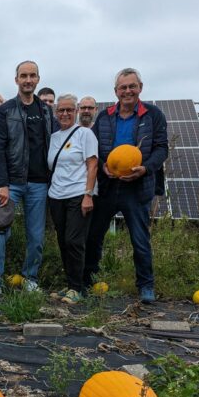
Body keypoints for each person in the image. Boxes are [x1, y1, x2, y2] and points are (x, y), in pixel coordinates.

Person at [83, 68, 168, 303]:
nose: (128, 91)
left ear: (140, 87)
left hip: (137, 187)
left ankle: (146, 286)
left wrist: (146, 168)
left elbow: (162, 148)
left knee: (140, 239)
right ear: (116, 91)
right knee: (94, 235)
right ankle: (88, 279)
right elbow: (95, 148)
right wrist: (102, 166)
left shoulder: (153, 115)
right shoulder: (105, 116)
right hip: (108, 185)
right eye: (123, 87)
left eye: (132, 86)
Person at [0, 60, 58, 298]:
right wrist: (2, 184)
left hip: (38, 183)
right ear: (16, 80)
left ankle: (30, 278)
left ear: (38, 79)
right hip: (11, 183)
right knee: (0, 230)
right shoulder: (5, 111)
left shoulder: (45, 111)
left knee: (35, 235)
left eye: (32, 75)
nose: (28, 80)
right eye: (23, 75)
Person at [47, 94, 98, 304]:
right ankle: (69, 285)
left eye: (69, 110)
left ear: (76, 111)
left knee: (74, 241)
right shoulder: (54, 137)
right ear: (56, 113)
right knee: (62, 241)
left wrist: (88, 194)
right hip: (56, 195)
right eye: (61, 110)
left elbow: (92, 164)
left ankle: (77, 288)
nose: (65, 114)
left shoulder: (84, 134)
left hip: (78, 194)